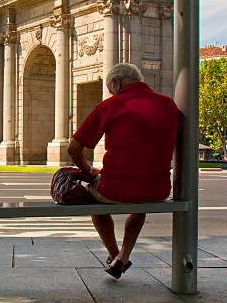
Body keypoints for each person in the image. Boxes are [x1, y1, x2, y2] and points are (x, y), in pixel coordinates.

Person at [67, 63, 178, 279]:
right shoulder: (169, 104)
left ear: (116, 82)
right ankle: (124, 256)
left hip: (115, 189)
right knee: (140, 200)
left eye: (110, 88)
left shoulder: (110, 106)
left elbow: (73, 148)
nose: (111, 93)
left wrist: (89, 171)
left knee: (95, 200)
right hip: (158, 189)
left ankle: (114, 254)